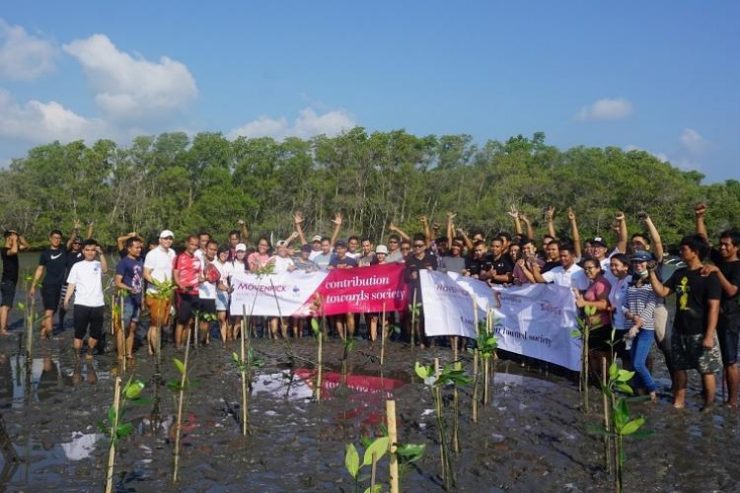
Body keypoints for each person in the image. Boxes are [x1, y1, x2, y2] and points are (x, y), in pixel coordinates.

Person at [648, 234, 722, 410]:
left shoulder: (708, 275)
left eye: (684, 249)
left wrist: (710, 335)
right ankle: (679, 402)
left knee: (706, 369)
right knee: (679, 367)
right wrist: (651, 272)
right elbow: (663, 292)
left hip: (701, 330)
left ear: (695, 252)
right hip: (680, 329)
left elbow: (714, 307)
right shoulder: (679, 273)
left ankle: (709, 405)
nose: (680, 251)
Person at [696, 204, 739, 407]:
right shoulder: (718, 259)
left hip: (729, 317)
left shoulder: (737, 266)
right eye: (721, 244)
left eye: (726, 245)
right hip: (710, 315)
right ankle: (708, 393)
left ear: (737, 247)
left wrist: (715, 271)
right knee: (708, 355)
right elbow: (704, 242)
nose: (722, 248)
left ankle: (732, 400)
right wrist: (700, 218)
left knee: (730, 360)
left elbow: (731, 290)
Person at [63, 239, 108, 359]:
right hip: (81, 304)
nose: (90, 252)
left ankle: (89, 352)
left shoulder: (98, 264)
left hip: (97, 304)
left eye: (93, 250)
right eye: (87, 250)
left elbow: (105, 270)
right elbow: (71, 284)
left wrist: (101, 254)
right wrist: (66, 300)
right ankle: (77, 355)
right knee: (79, 333)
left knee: (95, 332)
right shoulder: (77, 266)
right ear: (83, 251)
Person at [623, 251, 659, 401]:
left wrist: (637, 325)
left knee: (638, 364)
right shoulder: (632, 281)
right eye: (635, 262)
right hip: (631, 326)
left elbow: (651, 306)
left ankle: (653, 391)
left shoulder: (653, 282)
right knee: (632, 362)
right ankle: (639, 393)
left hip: (645, 329)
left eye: (641, 262)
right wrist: (630, 315)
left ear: (648, 263)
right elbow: (624, 305)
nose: (638, 265)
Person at [574, 257, 613, 374]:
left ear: (599, 268)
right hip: (592, 327)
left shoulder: (602, 283)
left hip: (601, 326)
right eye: (585, 269)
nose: (587, 271)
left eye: (590, 268)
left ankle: (604, 386)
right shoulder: (593, 283)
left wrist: (584, 303)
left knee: (602, 358)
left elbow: (604, 304)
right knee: (592, 357)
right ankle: (595, 385)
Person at [143, 230, 177, 354]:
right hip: (155, 293)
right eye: (165, 238)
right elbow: (146, 274)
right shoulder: (152, 254)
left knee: (159, 323)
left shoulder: (172, 253)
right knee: (156, 324)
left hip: (167, 293)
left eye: (170, 239)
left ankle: (151, 350)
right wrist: (158, 284)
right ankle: (156, 353)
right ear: (160, 240)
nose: (168, 241)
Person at [30, 230, 68, 339]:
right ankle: (51, 336)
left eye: (59, 238)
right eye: (54, 237)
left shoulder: (63, 250)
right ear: (50, 238)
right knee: (50, 310)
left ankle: (43, 333)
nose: (57, 240)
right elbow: (40, 269)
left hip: (58, 285)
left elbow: (72, 241)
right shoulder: (45, 253)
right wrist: (33, 286)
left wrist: (75, 230)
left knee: (52, 310)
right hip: (48, 285)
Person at [114, 237, 144, 360]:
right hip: (126, 300)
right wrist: (129, 288)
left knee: (132, 327)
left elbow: (141, 281)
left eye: (140, 247)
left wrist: (142, 298)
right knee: (122, 327)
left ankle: (129, 353)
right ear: (129, 248)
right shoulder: (124, 262)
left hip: (137, 299)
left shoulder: (140, 261)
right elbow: (117, 282)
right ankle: (121, 354)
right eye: (136, 247)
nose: (139, 249)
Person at [173, 235, 201, 349]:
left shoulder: (197, 259)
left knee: (190, 321)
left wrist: (206, 278)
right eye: (192, 244)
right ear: (187, 244)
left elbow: (199, 276)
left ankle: (185, 345)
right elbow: (175, 274)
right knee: (181, 320)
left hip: (195, 292)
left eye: (196, 245)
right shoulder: (179, 257)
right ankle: (178, 345)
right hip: (183, 293)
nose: (193, 247)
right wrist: (181, 285)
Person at [1, 230, 29, 335]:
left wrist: (20, 235)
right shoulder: (4, 250)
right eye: (12, 237)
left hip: (9, 281)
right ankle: (3, 329)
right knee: (6, 306)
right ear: (8, 238)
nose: (15, 238)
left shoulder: (13, 247)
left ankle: (3, 326)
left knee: (5, 305)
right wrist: (13, 239)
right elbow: (14, 251)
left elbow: (27, 246)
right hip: (8, 281)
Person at [329, 240, 358, 339]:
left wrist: (352, 270)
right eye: (338, 248)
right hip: (337, 292)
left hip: (350, 292)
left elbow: (359, 276)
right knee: (338, 316)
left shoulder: (352, 261)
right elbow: (329, 276)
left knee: (350, 314)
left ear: (346, 249)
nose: (340, 250)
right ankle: (341, 337)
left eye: (342, 248)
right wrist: (331, 268)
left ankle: (350, 336)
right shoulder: (333, 261)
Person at [197, 240, 220, 345]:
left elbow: (218, 281)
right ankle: (200, 341)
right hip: (200, 294)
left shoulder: (217, 263)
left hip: (211, 296)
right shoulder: (199, 260)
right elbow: (195, 277)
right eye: (210, 249)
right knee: (201, 321)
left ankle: (204, 340)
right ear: (205, 249)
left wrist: (228, 289)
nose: (212, 251)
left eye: (215, 250)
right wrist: (203, 279)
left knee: (208, 321)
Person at [214, 245, 232, 343]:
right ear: (218, 252)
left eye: (226, 253)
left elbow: (232, 279)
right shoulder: (214, 264)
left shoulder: (229, 265)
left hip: (225, 294)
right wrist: (227, 289)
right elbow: (218, 283)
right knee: (216, 318)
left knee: (222, 317)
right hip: (214, 293)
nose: (224, 255)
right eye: (222, 252)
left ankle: (224, 340)